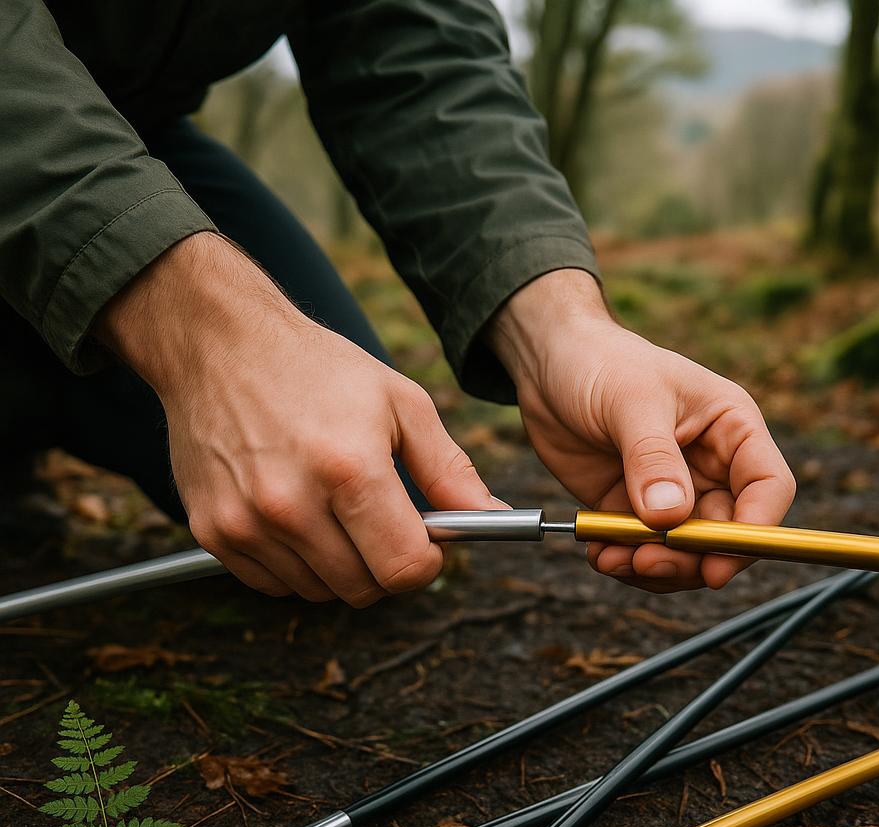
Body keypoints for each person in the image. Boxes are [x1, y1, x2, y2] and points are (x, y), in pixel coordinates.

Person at [1, 1, 795, 607]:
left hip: (129, 131)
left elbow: (417, 46)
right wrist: (205, 333)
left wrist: (559, 326)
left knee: (367, 508)